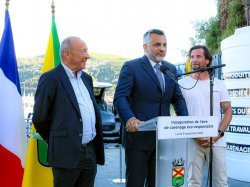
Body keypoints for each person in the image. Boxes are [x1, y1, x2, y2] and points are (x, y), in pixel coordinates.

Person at [114, 29, 188, 187]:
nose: (162, 48)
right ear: (145, 47)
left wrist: (185, 122)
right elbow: (120, 97)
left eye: (165, 44)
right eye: (157, 44)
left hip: (164, 139)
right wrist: (130, 118)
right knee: (136, 183)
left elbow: (177, 98)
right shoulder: (132, 67)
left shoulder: (170, 69)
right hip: (138, 137)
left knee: (159, 183)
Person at [32, 36, 105, 187]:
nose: (88, 56)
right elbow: (40, 118)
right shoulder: (50, 78)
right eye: (83, 51)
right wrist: (58, 139)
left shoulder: (87, 79)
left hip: (89, 152)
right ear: (67, 54)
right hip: (65, 152)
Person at [178, 45, 232, 187]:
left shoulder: (218, 84)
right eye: (192, 57)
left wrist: (218, 134)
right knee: (193, 182)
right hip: (192, 140)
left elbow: (228, 110)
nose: (194, 60)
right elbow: (178, 113)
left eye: (198, 56)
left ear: (207, 60)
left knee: (220, 182)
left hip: (217, 140)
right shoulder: (182, 84)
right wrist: (194, 135)